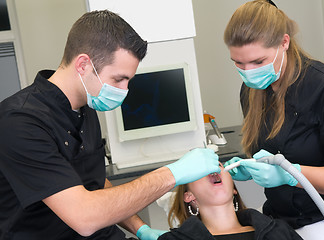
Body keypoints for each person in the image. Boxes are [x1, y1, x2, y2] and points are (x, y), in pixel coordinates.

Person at [0, 10, 221, 240]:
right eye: (118, 79)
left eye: (128, 81)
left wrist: (140, 228)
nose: (124, 91)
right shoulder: (20, 122)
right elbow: (84, 217)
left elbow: (94, 183)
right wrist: (173, 173)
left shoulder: (85, 109)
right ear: (84, 64)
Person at [223, 0, 324, 239]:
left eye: (258, 62)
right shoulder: (253, 90)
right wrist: (249, 166)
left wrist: (291, 174)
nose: (248, 72)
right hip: (281, 217)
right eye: (238, 63)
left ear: (284, 42)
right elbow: (274, 148)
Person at [158, 163, 303, 240]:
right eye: (200, 168)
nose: (212, 170)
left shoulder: (278, 231)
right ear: (188, 196)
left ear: (234, 189)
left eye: (218, 165)